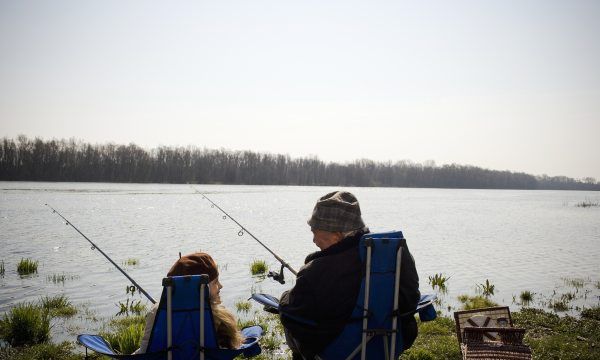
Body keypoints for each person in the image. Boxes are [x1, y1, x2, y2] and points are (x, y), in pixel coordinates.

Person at [279, 191, 421, 359]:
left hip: (338, 350)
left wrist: (284, 299)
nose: (314, 240)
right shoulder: (395, 254)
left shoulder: (316, 271)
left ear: (336, 235)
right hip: (390, 345)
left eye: (315, 232)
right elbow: (412, 298)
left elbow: (292, 313)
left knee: (290, 321)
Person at [134, 252, 243, 354]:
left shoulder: (158, 311)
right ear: (202, 289)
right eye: (215, 282)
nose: (220, 286)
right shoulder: (218, 318)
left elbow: (146, 351)